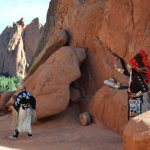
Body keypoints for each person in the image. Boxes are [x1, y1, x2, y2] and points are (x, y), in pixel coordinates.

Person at [114, 50, 150, 119]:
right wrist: (117, 69)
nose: (128, 66)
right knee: (133, 116)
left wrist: (136, 94)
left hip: (138, 99)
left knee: (137, 117)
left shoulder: (138, 77)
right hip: (133, 97)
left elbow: (145, 88)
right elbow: (125, 72)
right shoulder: (133, 72)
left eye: (130, 65)